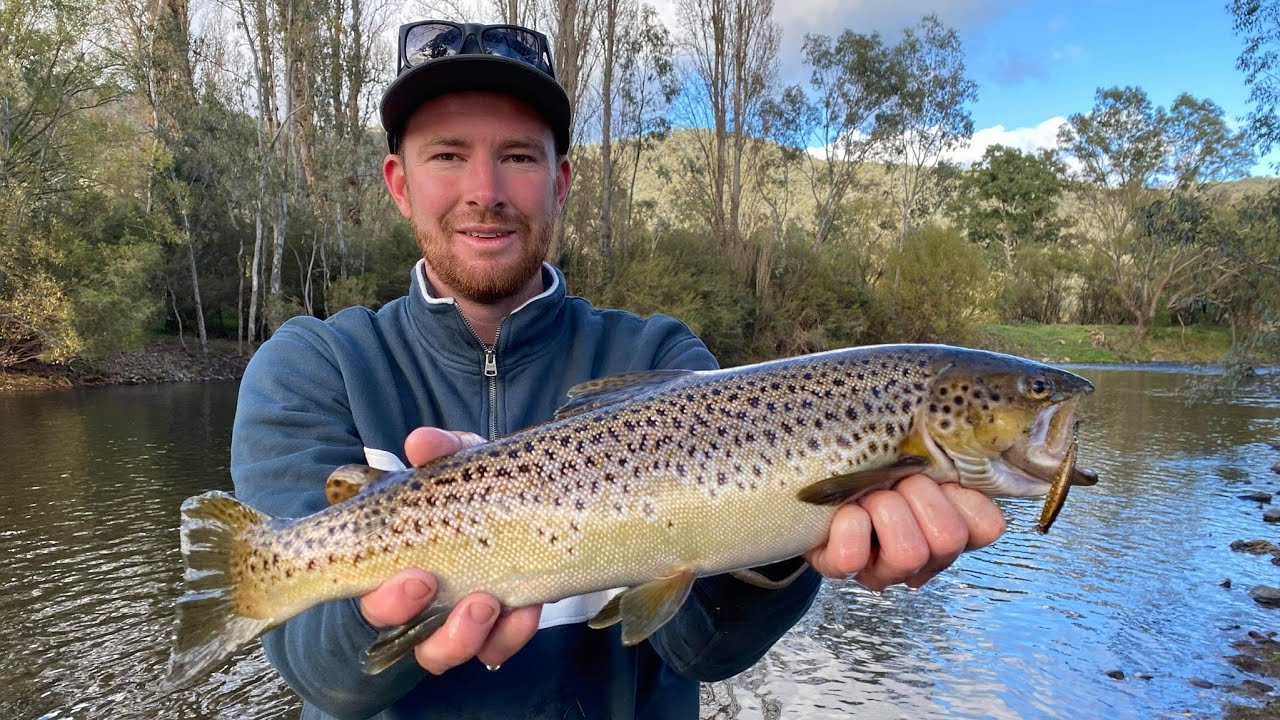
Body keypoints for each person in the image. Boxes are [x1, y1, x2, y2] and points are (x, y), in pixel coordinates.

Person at [230, 19, 1007, 720]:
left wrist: (781, 543)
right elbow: (319, 676)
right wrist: (395, 607)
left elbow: (705, 652)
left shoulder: (661, 358)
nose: (485, 192)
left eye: (517, 157)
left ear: (561, 181)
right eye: (448, 156)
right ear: (399, 183)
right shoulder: (313, 366)